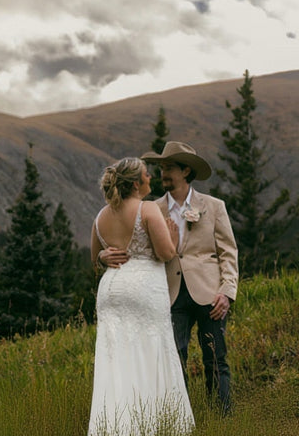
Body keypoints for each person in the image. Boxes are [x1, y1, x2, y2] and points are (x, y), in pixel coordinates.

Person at [99, 141, 239, 415]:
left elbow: (228, 252)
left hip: (210, 293)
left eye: (170, 167)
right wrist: (103, 255)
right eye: (160, 168)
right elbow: (129, 243)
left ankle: (223, 419)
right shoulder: (149, 208)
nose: (163, 173)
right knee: (174, 356)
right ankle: (180, 417)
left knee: (216, 358)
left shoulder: (213, 206)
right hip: (168, 293)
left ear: (186, 170)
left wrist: (227, 291)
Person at [87, 157, 194, 436]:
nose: (151, 179)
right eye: (147, 175)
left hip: (111, 290)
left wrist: (102, 255)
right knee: (150, 350)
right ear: (136, 183)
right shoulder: (147, 209)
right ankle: (155, 424)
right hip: (144, 288)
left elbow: (94, 259)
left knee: (116, 358)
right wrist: (171, 238)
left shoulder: (101, 216)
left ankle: (115, 427)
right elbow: (165, 254)